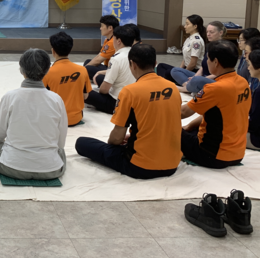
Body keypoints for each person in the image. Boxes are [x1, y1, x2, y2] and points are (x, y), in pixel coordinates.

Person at [75, 44, 182, 179]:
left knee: (82, 143)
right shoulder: (172, 87)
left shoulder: (130, 91)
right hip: (172, 165)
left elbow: (116, 138)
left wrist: (113, 146)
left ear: (132, 64)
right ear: (155, 63)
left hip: (140, 166)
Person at [0, 48, 67, 180]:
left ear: (21, 70)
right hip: (51, 170)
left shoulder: (10, 96)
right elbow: (60, 142)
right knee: (60, 152)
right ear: (47, 70)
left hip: (11, 167)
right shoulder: (56, 99)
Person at [180, 40, 251, 168]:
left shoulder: (214, 88)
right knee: (191, 129)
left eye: (208, 59)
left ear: (216, 62)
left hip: (212, 155)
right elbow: (218, 113)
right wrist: (189, 126)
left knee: (167, 127)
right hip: (237, 154)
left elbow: (183, 112)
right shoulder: (243, 82)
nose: (207, 62)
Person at [43, 32, 91, 126]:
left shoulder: (47, 73)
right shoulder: (82, 70)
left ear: (53, 51)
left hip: (55, 120)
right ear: (70, 49)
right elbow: (85, 96)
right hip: (76, 118)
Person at [85, 25, 136, 114]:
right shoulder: (136, 53)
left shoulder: (116, 59)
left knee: (84, 93)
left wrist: (100, 93)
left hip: (116, 102)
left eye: (114, 38)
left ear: (119, 41)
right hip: (133, 98)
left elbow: (104, 89)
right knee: (100, 78)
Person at [175, 21, 227, 94]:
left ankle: (185, 88)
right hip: (202, 76)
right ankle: (189, 86)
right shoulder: (209, 46)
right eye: (207, 32)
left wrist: (200, 78)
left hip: (214, 79)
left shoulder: (223, 49)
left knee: (197, 80)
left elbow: (220, 73)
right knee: (175, 70)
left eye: (211, 32)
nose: (208, 34)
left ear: (220, 33)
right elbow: (203, 67)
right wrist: (194, 77)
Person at [158, 15, 205, 83]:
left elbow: (193, 64)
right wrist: (179, 70)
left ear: (195, 26)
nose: (185, 26)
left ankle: (167, 83)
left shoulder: (197, 41)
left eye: (187, 24)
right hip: (186, 68)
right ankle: (165, 82)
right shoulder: (189, 38)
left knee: (168, 72)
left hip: (193, 71)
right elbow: (185, 58)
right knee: (161, 66)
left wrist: (181, 72)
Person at [83, 14, 120, 79]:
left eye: (102, 26)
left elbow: (98, 61)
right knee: (88, 62)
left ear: (110, 28)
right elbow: (99, 56)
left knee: (88, 68)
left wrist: (82, 70)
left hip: (113, 70)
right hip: (107, 67)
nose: (100, 28)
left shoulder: (112, 42)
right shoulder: (108, 40)